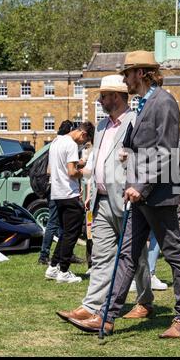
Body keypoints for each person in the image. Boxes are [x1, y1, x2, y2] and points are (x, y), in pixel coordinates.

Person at [68, 51, 180, 339]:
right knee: (126, 257)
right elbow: (138, 148)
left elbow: (167, 151)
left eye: (127, 74)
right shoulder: (143, 104)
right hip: (138, 197)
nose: (125, 79)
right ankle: (107, 318)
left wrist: (141, 185)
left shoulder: (165, 102)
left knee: (175, 257)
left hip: (160, 196)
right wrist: (128, 165)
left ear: (141, 73)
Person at [56, 74, 153, 322]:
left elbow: (144, 159)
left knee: (136, 254)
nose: (99, 100)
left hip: (126, 199)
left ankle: (144, 301)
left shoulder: (135, 121)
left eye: (104, 95)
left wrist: (130, 165)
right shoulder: (100, 127)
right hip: (100, 200)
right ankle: (91, 305)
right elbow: (96, 161)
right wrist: (89, 189)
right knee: (101, 256)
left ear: (117, 97)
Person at [44, 121, 94, 283]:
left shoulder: (56, 141)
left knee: (65, 232)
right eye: (84, 142)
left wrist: (77, 164)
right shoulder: (71, 145)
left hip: (57, 193)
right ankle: (64, 271)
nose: (82, 144)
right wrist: (85, 172)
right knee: (71, 234)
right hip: (69, 193)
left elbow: (50, 170)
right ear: (83, 134)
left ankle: (53, 267)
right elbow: (72, 172)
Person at [38, 120, 84, 265]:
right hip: (61, 190)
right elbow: (69, 172)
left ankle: (59, 256)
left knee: (61, 226)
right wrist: (78, 169)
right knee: (58, 225)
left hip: (54, 189)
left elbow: (49, 170)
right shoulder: (68, 145)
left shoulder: (54, 144)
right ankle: (45, 255)